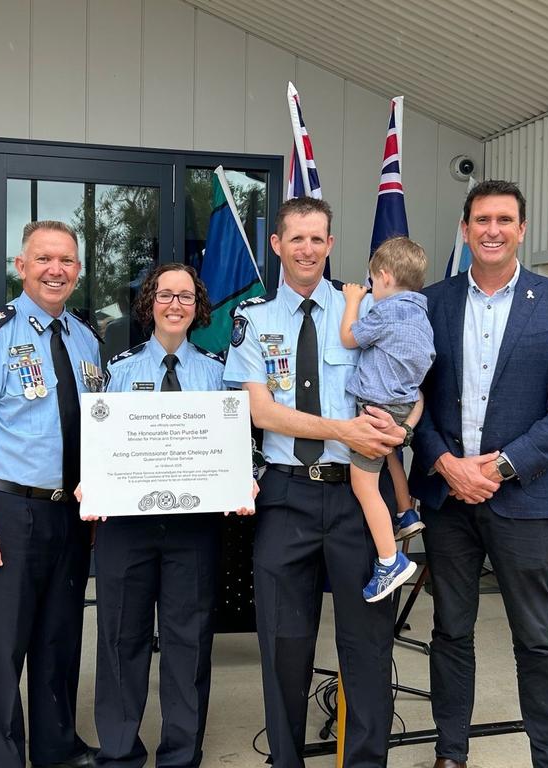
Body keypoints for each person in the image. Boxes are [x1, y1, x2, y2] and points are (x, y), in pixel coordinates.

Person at [408, 180, 548, 768]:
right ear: (464, 230)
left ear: (521, 229)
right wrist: (445, 464)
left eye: (504, 220)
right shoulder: (431, 303)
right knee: (450, 632)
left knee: (536, 638)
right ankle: (451, 753)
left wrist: (500, 468)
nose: (492, 229)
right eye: (481, 219)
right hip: (447, 498)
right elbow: (414, 399)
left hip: (528, 500)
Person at [223, 197, 406, 768]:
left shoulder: (367, 310)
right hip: (286, 495)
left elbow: (412, 378)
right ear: (276, 245)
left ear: (330, 245)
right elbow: (261, 412)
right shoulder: (252, 320)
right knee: (284, 644)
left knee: (368, 642)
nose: (307, 249)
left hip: (358, 498)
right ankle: (287, 760)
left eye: (318, 239)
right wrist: (344, 427)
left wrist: (402, 425)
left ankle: (365, 761)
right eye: (295, 238)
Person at [79, 263, 255, 768]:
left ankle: (181, 755)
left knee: (188, 644)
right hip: (124, 528)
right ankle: (118, 752)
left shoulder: (220, 371)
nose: (174, 304)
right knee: (119, 640)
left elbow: (243, 443)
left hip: (194, 531)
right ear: (148, 304)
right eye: (164, 295)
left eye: (185, 296)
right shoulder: (119, 369)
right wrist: (92, 480)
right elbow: (99, 444)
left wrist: (245, 477)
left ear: (198, 307)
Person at [0, 220, 101, 768]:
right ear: (22, 265)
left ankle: (57, 748)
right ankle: (3, 759)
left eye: (66, 261)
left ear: (77, 271)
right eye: (44, 259)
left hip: (71, 514)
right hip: (9, 511)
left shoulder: (85, 340)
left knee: (60, 639)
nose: (55, 270)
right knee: (1, 651)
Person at [339, 236, 435, 603]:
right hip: (401, 404)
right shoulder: (420, 313)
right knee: (392, 455)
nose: (371, 289)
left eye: (372, 282)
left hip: (374, 407)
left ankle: (389, 561)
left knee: (364, 485)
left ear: (384, 276)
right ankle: (406, 513)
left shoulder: (387, 311)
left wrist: (351, 301)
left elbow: (350, 338)